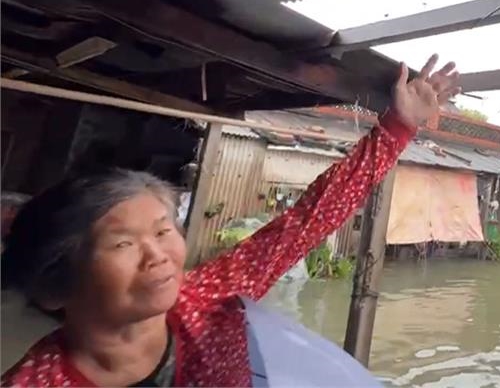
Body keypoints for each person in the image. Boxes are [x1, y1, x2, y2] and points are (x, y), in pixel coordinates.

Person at [1, 55, 460, 387]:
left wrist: (399, 127)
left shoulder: (208, 300)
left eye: (164, 231)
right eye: (123, 244)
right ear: (53, 288)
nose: (158, 254)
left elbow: (308, 220)